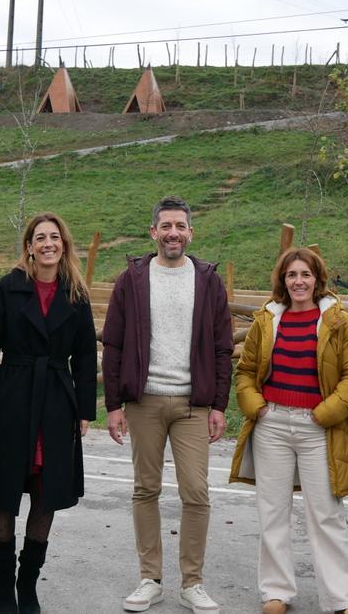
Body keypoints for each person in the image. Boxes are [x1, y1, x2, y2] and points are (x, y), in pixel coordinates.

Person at [102, 195, 233, 614]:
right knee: (146, 489)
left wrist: (219, 405)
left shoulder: (208, 281)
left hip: (193, 404)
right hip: (144, 402)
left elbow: (223, 347)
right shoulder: (132, 279)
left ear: (190, 232)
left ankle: (192, 583)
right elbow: (114, 343)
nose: (172, 233)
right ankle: (150, 579)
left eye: (180, 226)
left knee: (196, 492)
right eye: (166, 226)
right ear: (153, 232)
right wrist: (114, 405)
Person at [229, 247, 348, 614]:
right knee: (272, 512)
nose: (298, 281)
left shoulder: (338, 321)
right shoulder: (267, 320)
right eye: (291, 275)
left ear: (317, 279)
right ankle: (276, 592)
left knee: (326, 514)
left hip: (318, 426)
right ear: (283, 280)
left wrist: (326, 413)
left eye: (305, 274)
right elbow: (245, 371)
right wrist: (256, 406)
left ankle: (343, 599)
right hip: (272, 425)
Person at [0, 212, 97, 614]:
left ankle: (27, 585)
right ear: (29, 246)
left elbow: (86, 355)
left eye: (54, 237)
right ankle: (3, 586)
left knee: (46, 492)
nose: (47, 244)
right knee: (5, 491)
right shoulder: (8, 288)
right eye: (40, 237)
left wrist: (84, 409)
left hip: (57, 401)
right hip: (11, 395)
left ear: (64, 245)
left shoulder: (75, 292)